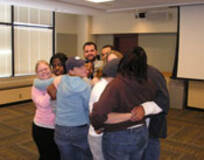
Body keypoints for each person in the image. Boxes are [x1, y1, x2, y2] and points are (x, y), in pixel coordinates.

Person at [90, 47, 157, 160]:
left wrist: (98, 126)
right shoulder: (149, 82)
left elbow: (98, 114)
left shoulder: (118, 83)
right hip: (141, 132)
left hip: (118, 135)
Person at [52, 56, 93, 160]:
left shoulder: (60, 80)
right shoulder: (85, 85)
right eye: (80, 67)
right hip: (79, 129)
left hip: (60, 128)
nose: (85, 68)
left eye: (84, 65)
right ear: (71, 70)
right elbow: (89, 108)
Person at [88, 59, 120, 160]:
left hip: (99, 132)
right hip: (99, 134)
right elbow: (100, 115)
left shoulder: (103, 85)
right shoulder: (103, 88)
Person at [31, 60, 60, 160]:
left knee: (58, 155)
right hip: (42, 128)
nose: (44, 72)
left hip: (58, 126)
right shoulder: (36, 87)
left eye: (45, 69)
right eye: (40, 71)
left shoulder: (58, 80)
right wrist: (52, 88)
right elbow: (43, 103)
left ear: (50, 69)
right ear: (37, 74)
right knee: (46, 156)